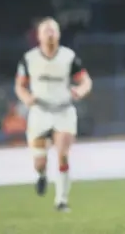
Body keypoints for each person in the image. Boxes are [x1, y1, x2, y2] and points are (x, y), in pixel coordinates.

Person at [15, 17, 92, 212]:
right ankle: (41, 175)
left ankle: (61, 201)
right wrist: (26, 98)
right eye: (46, 31)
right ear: (39, 36)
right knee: (40, 162)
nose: (50, 34)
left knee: (63, 155)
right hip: (39, 112)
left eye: (53, 30)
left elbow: (85, 81)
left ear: (58, 34)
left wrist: (80, 91)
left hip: (63, 110)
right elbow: (20, 85)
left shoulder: (68, 57)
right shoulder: (29, 58)